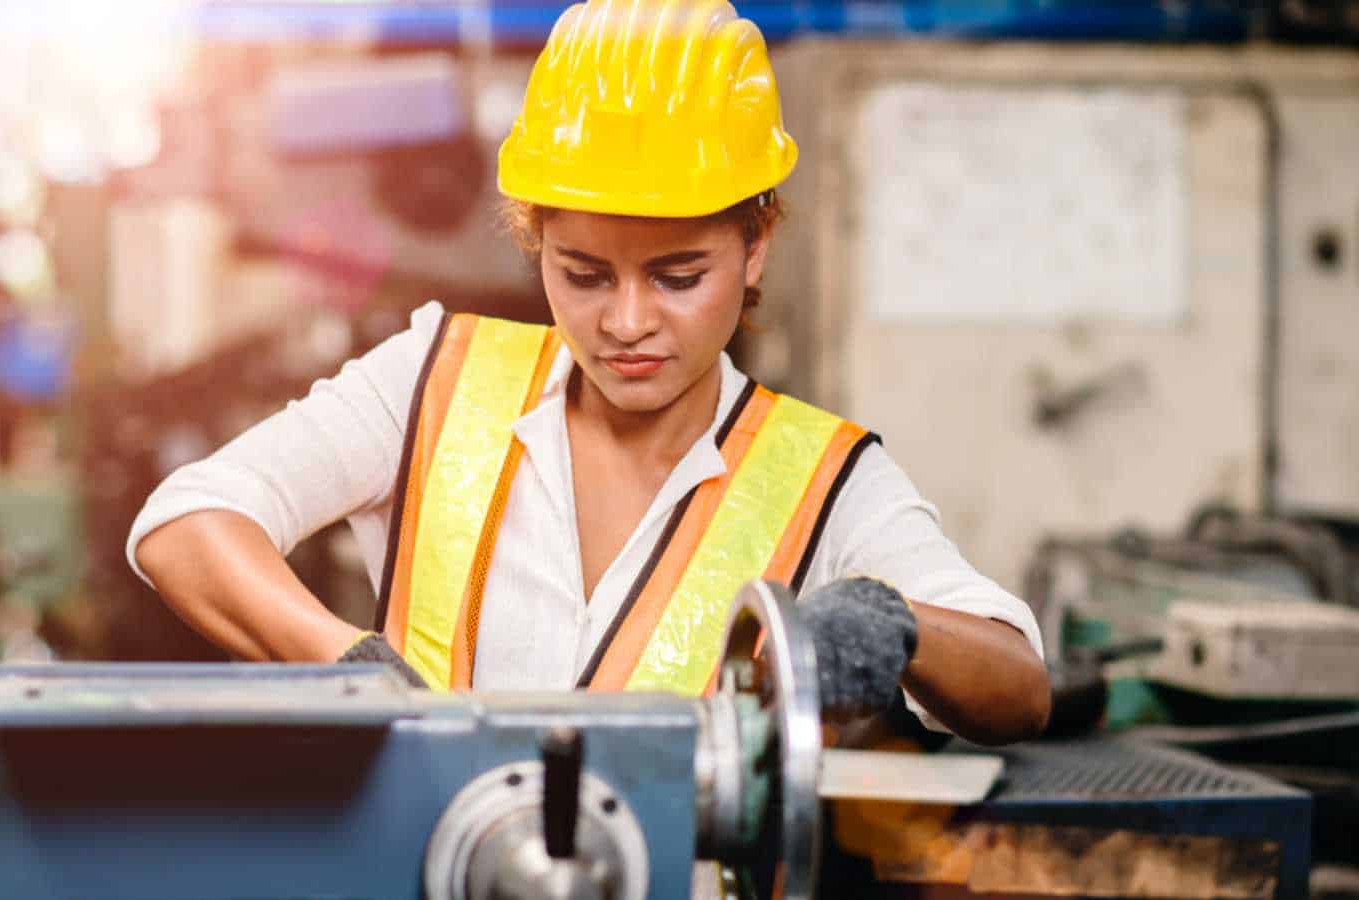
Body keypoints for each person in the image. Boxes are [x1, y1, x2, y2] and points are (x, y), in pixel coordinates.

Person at [128, 0, 1049, 747]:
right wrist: (349, 670)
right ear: (535, 239)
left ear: (756, 245)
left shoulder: (826, 480)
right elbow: (187, 523)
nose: (627, 322)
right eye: (583, 274)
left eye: (678, 277)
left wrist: (897, 624)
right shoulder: (432, 380)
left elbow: (1018, 685)